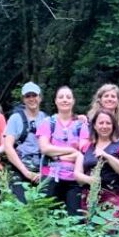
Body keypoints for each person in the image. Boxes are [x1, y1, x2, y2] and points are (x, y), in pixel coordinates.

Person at [37, 86, 89, 215]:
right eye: (61, 97)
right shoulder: (48, 123)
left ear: (73, 101)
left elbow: (82, 153)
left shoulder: (81, 125)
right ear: (55, 101)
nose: (65, 100)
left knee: (76, 221)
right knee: (47, 221)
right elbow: (44, 148)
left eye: (68, 97)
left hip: (73, 180)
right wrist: (71, 150)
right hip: (50, 177)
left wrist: (57, 155)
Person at [76, 110, 119, 220]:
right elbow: (77, 174)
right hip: (90, 198)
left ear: (113, 126)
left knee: (112, 233)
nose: (104, 126)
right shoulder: (86, 147)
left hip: (114, 198)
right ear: (95, 126)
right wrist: (90, 180)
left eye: (108, 123)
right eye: (101, 123)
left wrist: (107, 156)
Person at [2, 82, 48, 202]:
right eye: (28, 96)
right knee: (21, 206)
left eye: (34, 95)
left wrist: (44, 172)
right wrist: (25, 172)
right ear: (23, 99)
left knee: (44, 206)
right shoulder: (15, 119)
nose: (31, 99)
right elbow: (8, 146)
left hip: (42, 169)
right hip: (20, 167)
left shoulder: (47, 119)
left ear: (40, 97)